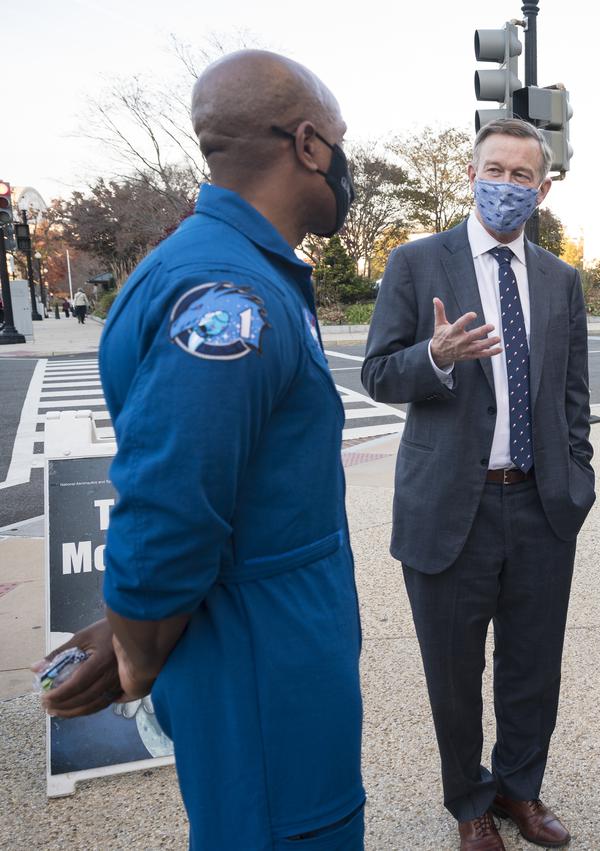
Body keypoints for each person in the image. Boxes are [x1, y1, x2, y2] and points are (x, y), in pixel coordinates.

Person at [36, 49, 365, 849]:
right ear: (309, 145)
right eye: (341, 143)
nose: (346, 165)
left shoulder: (223, 266)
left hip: (258, 639)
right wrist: (136, 644)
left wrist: (131, 626)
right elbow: (171, 506)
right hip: (261, 658)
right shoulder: (229, 297)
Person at [362, 117, 595, 851]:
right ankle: (469, 802)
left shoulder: (560, 279)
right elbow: (377, 373)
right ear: (471, 175)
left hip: (540, 503)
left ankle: (520, 787)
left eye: (523, 175)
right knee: (454, 672)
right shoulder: (415, 262)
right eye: (495, 170)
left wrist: (577, 479)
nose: (507, 185)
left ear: (542, 189)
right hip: (447, 507)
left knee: (533, 666)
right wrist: (433, 356)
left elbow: (574, 394)